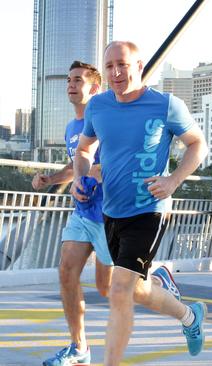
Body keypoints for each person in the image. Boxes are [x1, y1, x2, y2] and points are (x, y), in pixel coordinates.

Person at [71, 41, 208, 365]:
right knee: (136, 288)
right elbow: (84, 150)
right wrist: (79, 177)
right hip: (110, 210)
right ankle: (190, 317)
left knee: (119, 289)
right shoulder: (98, 106)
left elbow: (197, 144)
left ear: (139, 65)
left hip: (150, 208)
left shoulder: (165, 104)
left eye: (123, 64)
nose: (116, 72)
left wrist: (173, 180)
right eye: (110, 66)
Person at [32, 61, 111, 366]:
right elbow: (74, 166)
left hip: (109, 216)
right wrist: (51, 180)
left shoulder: (105, 122)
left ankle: (157, 278)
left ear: (95, 87)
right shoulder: (71, 127)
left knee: (107, 288)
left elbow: (115, 167)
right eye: (69, 80)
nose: (71, 84)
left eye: (78, 80)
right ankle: (79, 348)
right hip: (82, 213)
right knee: (66, 272)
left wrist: (87, 175)